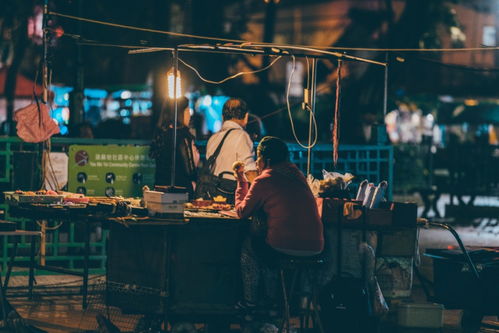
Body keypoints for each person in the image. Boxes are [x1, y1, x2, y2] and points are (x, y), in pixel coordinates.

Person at [233, 136, 324, 308]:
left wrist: (241, 181)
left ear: (266, 160)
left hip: (286, 247)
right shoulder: (297, 174)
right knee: (267, 243)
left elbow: (242, 212)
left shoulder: (264, 179)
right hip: (316, 248)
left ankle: (251, 302)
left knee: (250, 248)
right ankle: (273, 303)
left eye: (258, 159)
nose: (257, 163)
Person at [149, 97, 199, 196]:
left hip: (160, 189)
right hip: (180, 191)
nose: (189, 114)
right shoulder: (183, 136)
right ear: (180, 113)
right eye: (187, 110)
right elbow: (190, 168)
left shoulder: (161, 133)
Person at [205, 98, 258, 183]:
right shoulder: (242, 136)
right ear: (246, 117)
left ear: (222, 117)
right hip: (232, 193)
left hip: (213, 192)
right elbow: (249, 172)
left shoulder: (213, 138)